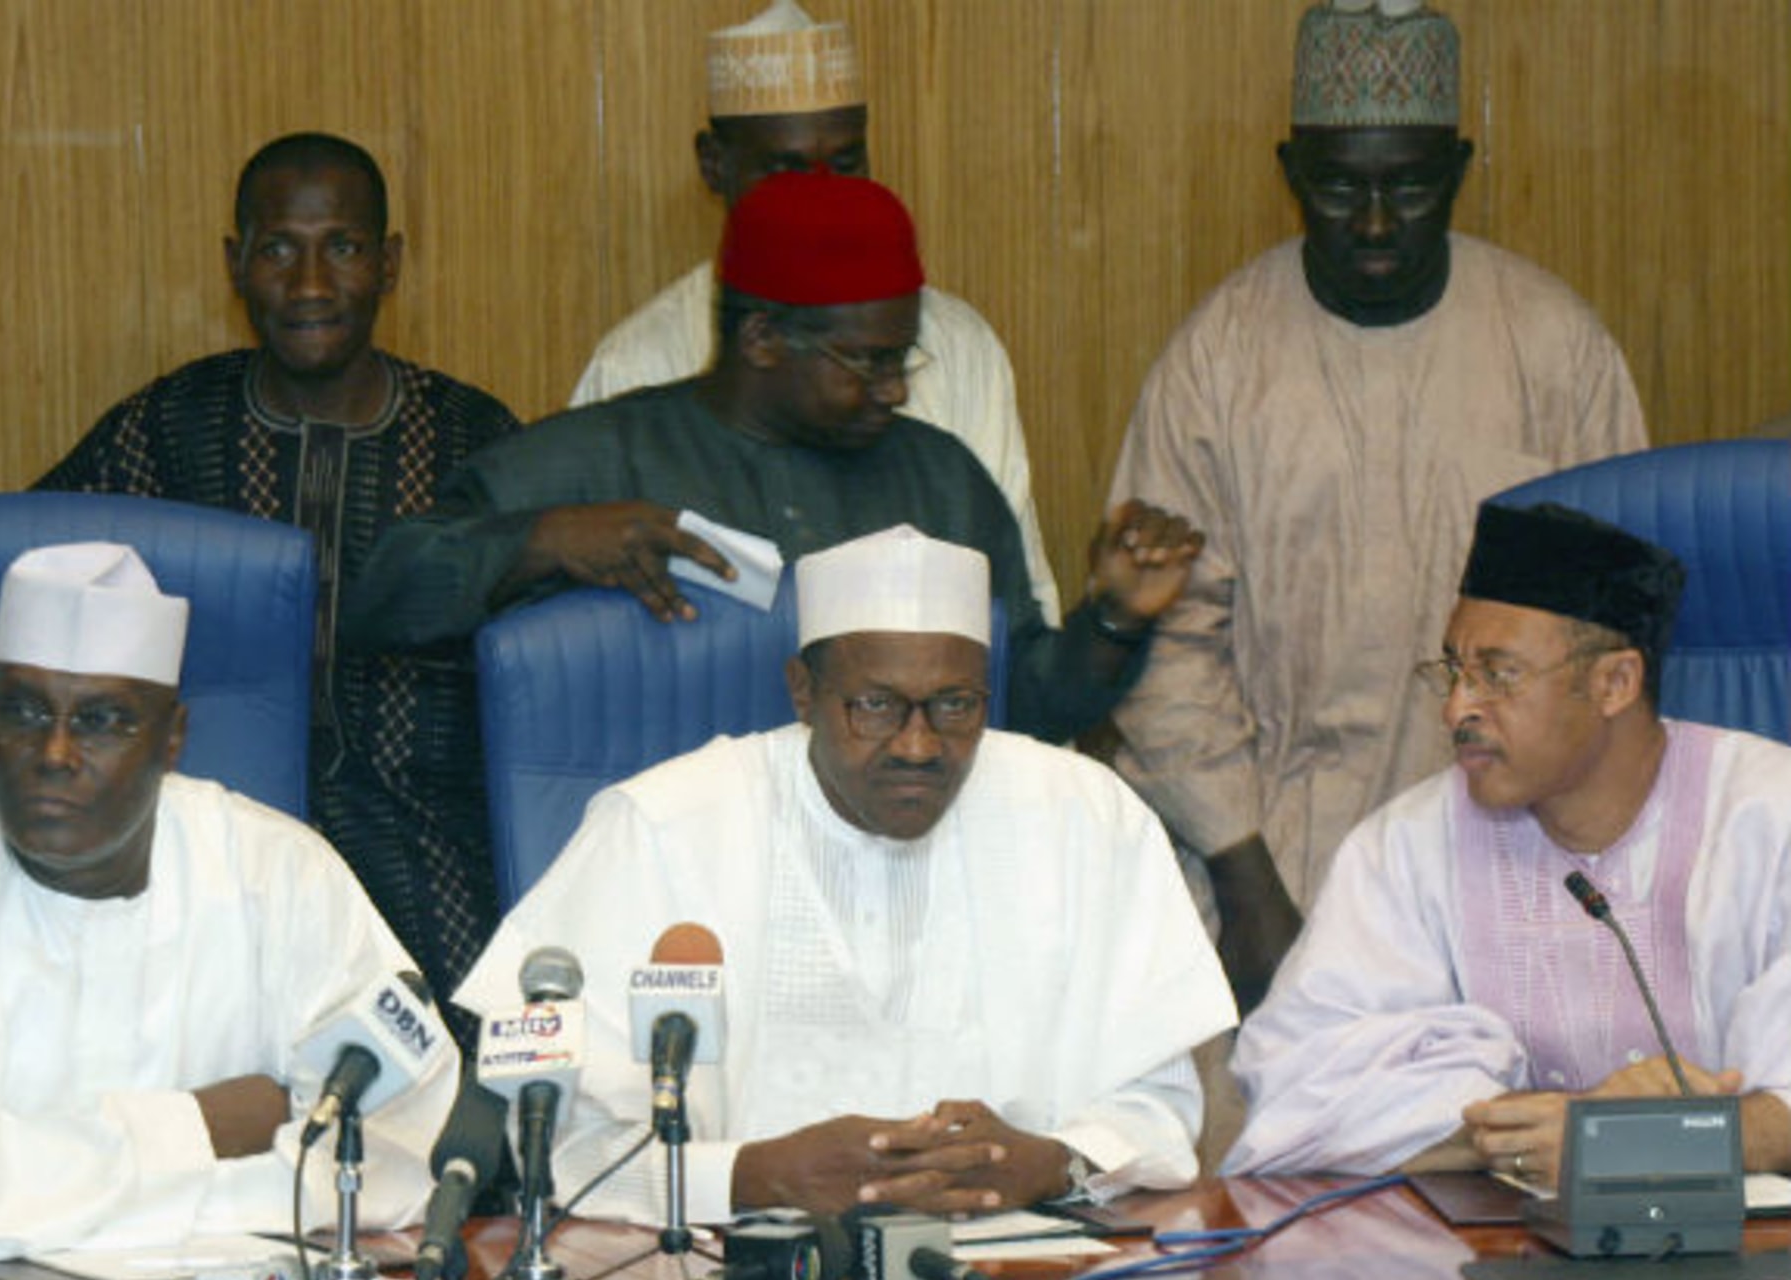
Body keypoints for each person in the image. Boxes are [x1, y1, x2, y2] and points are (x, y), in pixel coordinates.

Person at [1099, 0, 1648, 1012]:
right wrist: (1244, 877)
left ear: (1460, 169)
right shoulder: (1218, 360)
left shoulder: (1554, 349)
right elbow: (1170, 647)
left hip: (1520, 844)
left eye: (1410, 184)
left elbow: (1617, 637)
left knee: (1515, 1143)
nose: (1380, 221)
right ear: (1291, 171)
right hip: (1286, 852)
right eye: (1344, 186)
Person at [457, 526, 1236, 1222]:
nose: (919, 746)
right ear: (803, 692)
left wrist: (1051, 1163)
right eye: (876, 705)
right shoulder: (662, 827)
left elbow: (1160, 1108)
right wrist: (755, 1175)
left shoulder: (1084, 815)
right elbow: (560, 1146)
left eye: (956, 704)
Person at [342, 170, 1198, 748]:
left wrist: (1115, 620)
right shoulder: (601, 456)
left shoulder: (941, 480)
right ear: (760, 337)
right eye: (867, 362)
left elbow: (1020, 712)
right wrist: (546, 540)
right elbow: (382, 594)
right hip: (665, 897)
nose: (896, 390)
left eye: (906, 357)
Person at [35, 132, 520, 1006]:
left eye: (342, 247)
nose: (309, 285)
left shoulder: (471, 436)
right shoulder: (168, 426)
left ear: (390, 263)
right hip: (206, 832)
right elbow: (37, 568)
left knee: (473, 1063)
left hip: (424, 838)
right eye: (278, 251)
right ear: (235, 264)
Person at [0, 543, 459, 1263]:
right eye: (22, 711)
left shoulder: (281, 874)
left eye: (101, 720)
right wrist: (201, 1129)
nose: (53, 752)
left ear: (172, 738)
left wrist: (33, 1184)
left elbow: (397, 1145)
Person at [1225, 502, 1791, 1181]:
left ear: (1615, 682)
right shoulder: (1408, 843)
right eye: (1454, 670)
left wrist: (1617, 1138)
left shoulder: (1768, 817)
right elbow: (1292, 1087)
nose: (1456, 707)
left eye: (1499, 674)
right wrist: (1569, 1124)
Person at [570, 0, 1060, 622]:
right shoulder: (635, 360)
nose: (823, 193)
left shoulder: (960, 344)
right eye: (787, 170)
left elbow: (1018, 607)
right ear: (714, 166)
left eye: (847, 164)